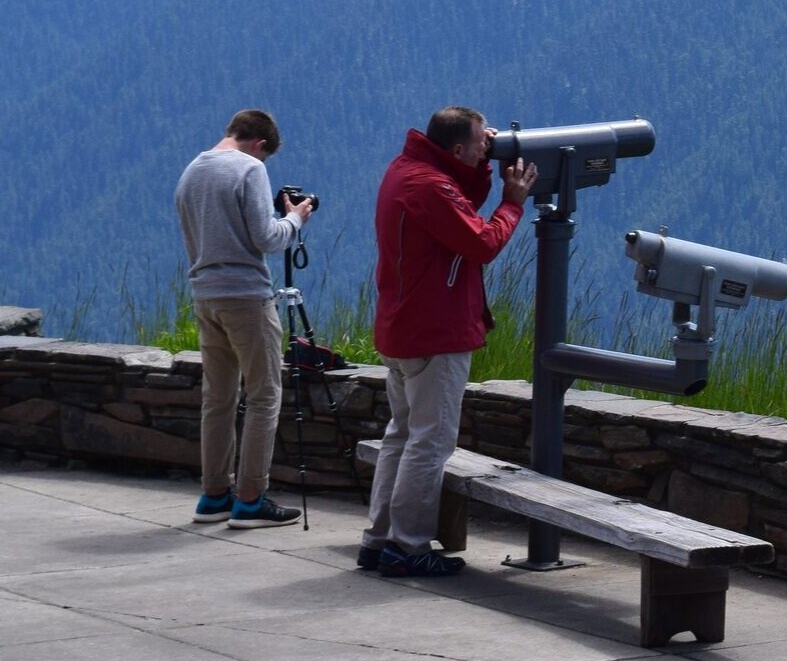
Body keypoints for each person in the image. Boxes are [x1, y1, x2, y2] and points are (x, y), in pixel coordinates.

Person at [358, 106, 536, 578]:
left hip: (402, 327)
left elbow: (458, 203)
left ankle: (379, 540)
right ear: (455, 148)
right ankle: (409, 546)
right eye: (482, 143)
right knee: (431, 442)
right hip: (434, 331)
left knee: (401, 435)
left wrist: (479, 167)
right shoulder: (430, 186)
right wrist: (512, 200)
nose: (489, 148)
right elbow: (481, 242)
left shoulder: (409, 171)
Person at [174, 108, 317, 528]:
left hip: (206, 296)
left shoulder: (192, 171)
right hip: (246, 298)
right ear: (259, 144)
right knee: (264, 396)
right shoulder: (249, 169)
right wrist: (296, 218)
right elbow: (266, 238)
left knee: (217, 399)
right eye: (265, 155)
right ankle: (252, 499)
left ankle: (214, 494)